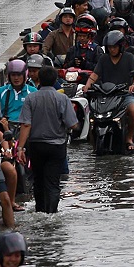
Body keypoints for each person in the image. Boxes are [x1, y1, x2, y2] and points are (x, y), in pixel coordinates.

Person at [16, 66, 78, 213]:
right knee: (53, 182)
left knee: (38, 180)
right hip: (57, 146)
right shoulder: (62, 99)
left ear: (39, 80)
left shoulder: (31, 98)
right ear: (55, 80)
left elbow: (26, 125)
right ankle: (52, 212)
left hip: (36, 146)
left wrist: (20, 148)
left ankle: (40, 210)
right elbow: (73, 124)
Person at [84, 31, 134, 151]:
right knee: (92, 114)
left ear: (120, 47)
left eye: (114, 47)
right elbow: (95, 74)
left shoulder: (129, 57)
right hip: (106, 95)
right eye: (109, 47)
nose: (112, 50)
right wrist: (87, 85)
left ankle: (129, 138)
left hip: (124, 94)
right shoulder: (104, 58)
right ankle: (93, 140)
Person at [0, 60, 37, 127]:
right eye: (13, 75)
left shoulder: (33, 91)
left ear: (25, 75)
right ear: (9, 76)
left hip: (27, 126)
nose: (16, 78)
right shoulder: (1, 91)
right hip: (6, 126)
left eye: (19, 75)